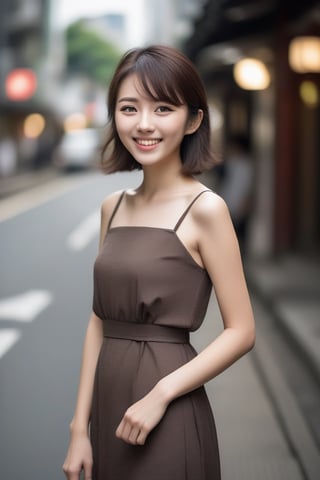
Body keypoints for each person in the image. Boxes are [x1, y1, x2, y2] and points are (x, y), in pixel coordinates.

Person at [62, 45, 255, 480]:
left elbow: (242, 331)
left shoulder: (206, 209)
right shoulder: (112, 207)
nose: (144, 124)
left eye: (163, 108)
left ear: (193, 120)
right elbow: (99, 319)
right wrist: (79, 428)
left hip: (167, 408)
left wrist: (160, 395)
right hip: (109, 410)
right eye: (129, 108)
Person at [217, 135, 254, 255]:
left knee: (237, 236)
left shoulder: (246, 165)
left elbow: (248, 188)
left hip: (239, 206)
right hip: (228, 203)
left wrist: (245, 205)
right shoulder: (231, 163)